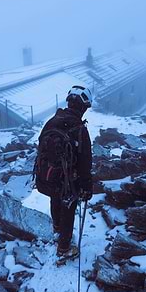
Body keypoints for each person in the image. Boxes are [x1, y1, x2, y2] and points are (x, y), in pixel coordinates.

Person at [35, 85, 93, 256]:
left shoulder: (52, 121)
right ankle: (64, 248)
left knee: (55, 198)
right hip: (67, 180)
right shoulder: (80, 129)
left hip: (48, 177)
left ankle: (57, 229)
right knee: (68, 208)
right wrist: (86, 188)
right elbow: (85, 163)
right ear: (83, 107)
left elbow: (41, 147)